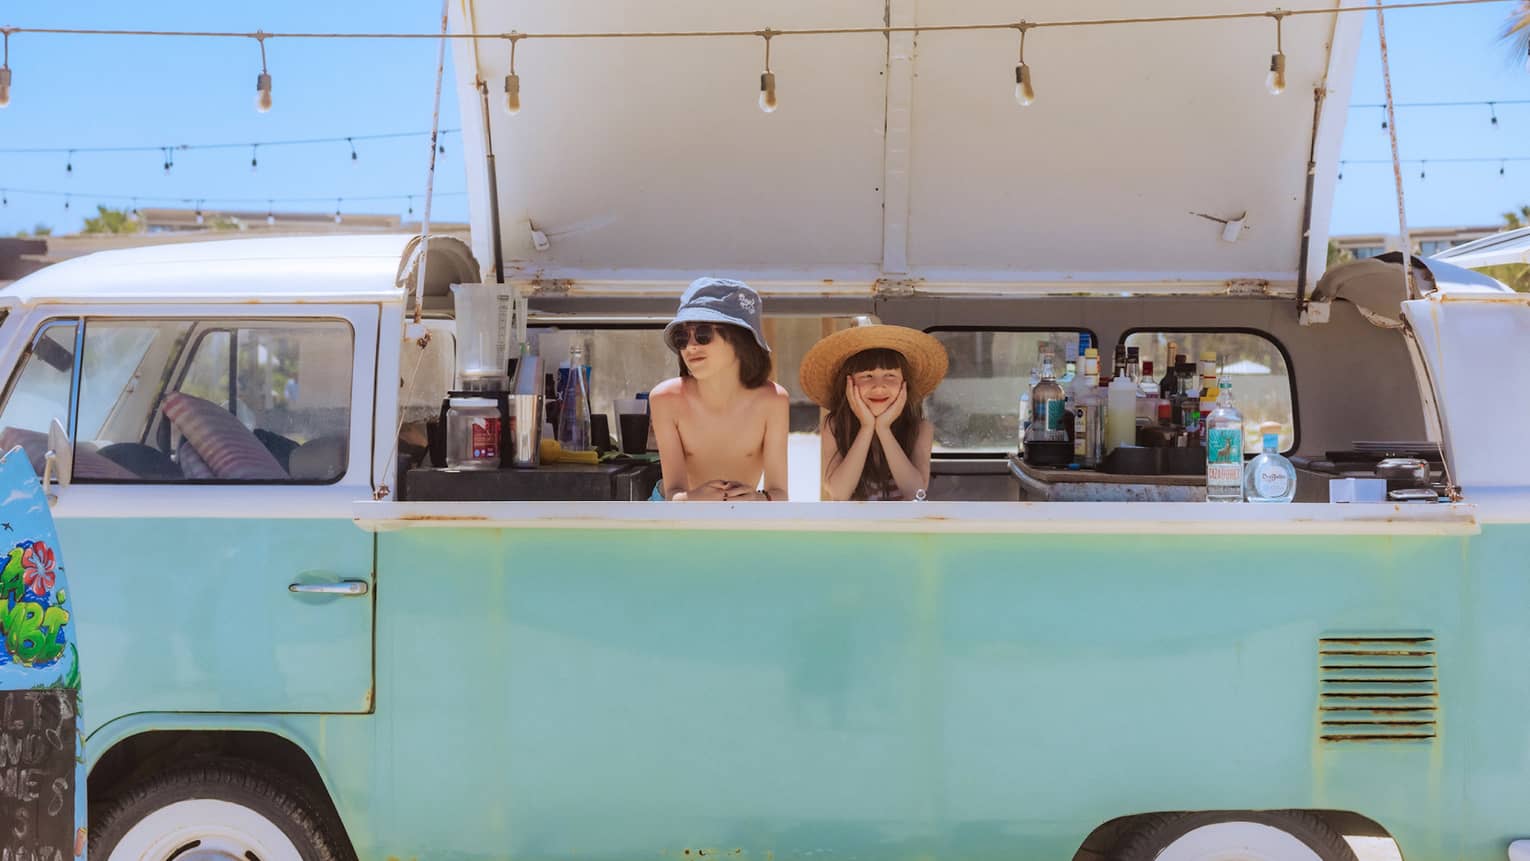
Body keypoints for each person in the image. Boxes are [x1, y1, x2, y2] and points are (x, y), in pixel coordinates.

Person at [649, 277, 789, 501]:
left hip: (741, 515)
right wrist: (695, 499)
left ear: (739, 338)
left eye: (703, 334)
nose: (690, 346)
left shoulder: (774, 400)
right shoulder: (664, 398)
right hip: (673, 512)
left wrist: (756, 500)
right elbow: (673, 493)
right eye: (681, 337)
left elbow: (780, 495)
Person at [799, 325, 948, 501]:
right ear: (848, 384)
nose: (879, 386)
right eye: (867, 376)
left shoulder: (920, 428)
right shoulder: (835, 425)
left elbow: (915, 492)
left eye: (890, 375)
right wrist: (866, 427)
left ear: (905, 384)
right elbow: (839, 492)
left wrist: (883, 429)